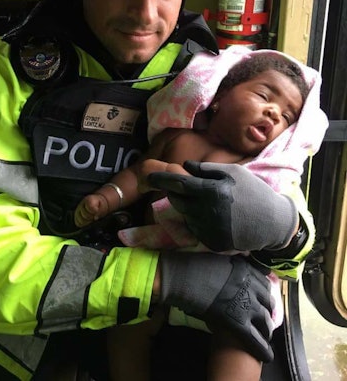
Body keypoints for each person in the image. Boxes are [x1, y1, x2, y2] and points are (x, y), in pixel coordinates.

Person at [0, 0, 314, 380]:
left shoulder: (211, 78)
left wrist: (282, 230)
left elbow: (285, 214)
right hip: (23, 347)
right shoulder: (5, 76)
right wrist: (166, 278)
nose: (145, 13)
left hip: (168, 329)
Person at [74, 46, 328, 381]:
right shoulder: (176, 139)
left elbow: (290, 220)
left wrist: (284, 225)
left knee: (243, 339)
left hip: (232, 277)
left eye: (285, 117)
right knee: (126, 325)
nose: (272, 114)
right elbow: (138, 174)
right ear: (218, 95)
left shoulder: (267, 173)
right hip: (158, 264)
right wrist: (107, 197)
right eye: (264, 95)